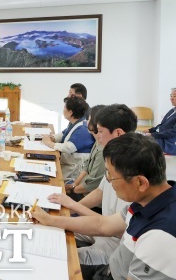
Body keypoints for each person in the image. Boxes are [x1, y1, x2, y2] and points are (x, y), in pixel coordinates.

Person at [31, 133, 176, 280]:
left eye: (111, 176)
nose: (109, 182)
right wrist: (49, 219)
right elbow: (103, 226)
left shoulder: (164, 237)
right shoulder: (151, 201)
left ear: (140, 182)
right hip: (111, 270)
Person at [48, 104, 135, 268]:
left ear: (118, 133)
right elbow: (99, 191)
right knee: (51, 230)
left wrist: (70, 207)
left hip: (116, 243)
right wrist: (67, 210)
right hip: (102, 226)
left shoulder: (132, 167)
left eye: (100, 132)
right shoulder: (114, 156)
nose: (96, 136)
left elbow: (108, 227)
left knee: (58, 257)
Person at [42, 96, 94, 179]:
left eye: (64, 108)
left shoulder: (83, 129)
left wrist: (49, 143)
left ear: (70, 112)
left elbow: (68, 147)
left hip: (73, 172)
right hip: (66, 163)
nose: (63, 110)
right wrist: (52, 137)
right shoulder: (74, 123)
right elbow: (62, 134)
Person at [65, 105, 106, 200]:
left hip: (88, 196)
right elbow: (87, 166)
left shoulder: (102, 150)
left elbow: (91, 184)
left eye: (89, 119)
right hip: (81, 188)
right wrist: (74, 184)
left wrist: (72, 190)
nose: (87, 122)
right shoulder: (97, 142)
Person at [143, 87, 176, 156]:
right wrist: (150, 130)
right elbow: (161, 125)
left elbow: (174, 132)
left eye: (174, 96)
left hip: (170, 144)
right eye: (171, 96)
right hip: (162, 139)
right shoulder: (173, 110)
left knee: (141, 142)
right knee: (137, 139)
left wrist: (152, 135)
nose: (171, 98)